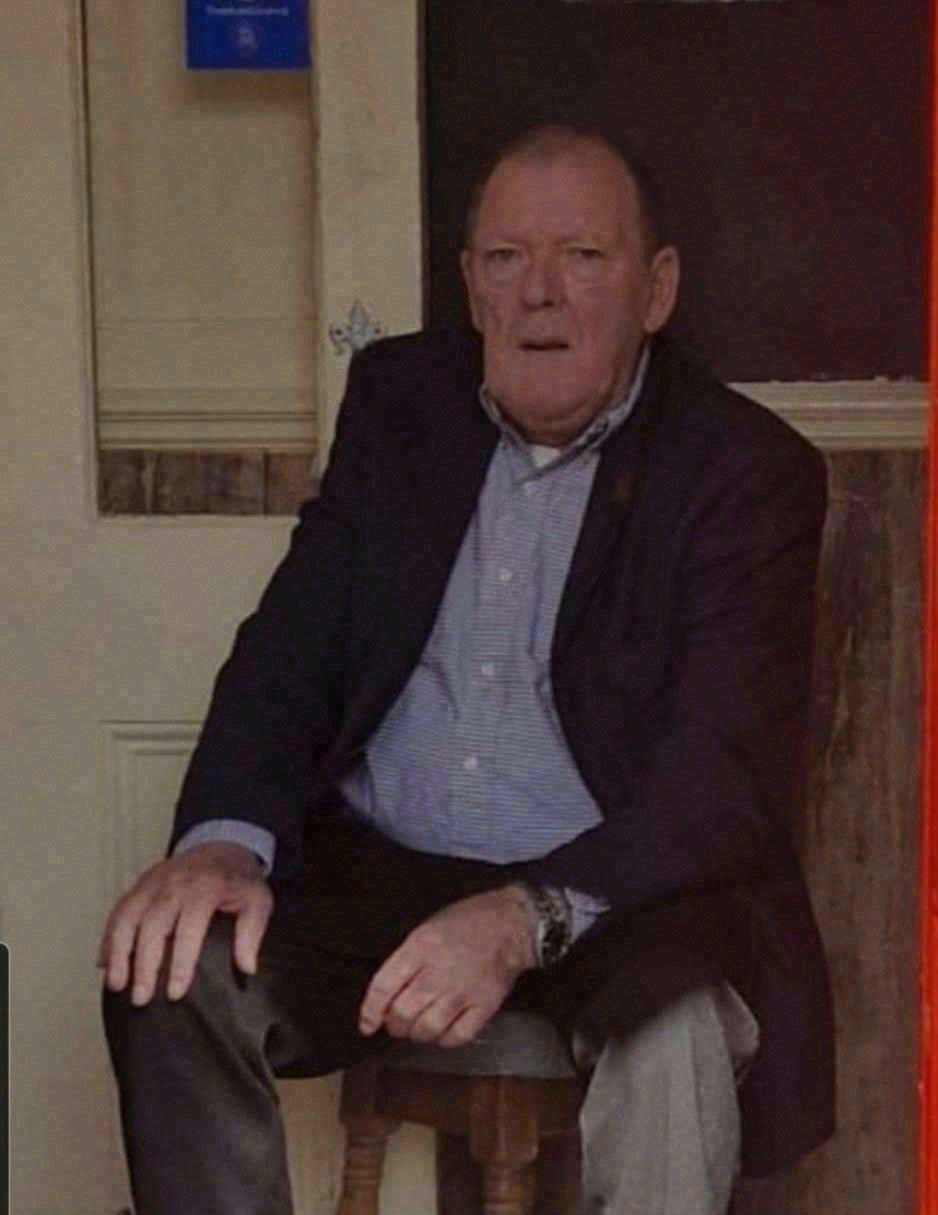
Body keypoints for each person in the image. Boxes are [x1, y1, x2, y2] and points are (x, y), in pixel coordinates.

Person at [99, 123, 835, 1215]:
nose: (539, 292)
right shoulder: (402, 404)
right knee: (171, 968)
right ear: (472, 285)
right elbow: (288, 652)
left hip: (608, 891)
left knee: (676, 1033)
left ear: (655, 289)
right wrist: (222, 842)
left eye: (582, 256)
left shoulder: (740, 470)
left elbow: (718, 781)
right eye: (505, 257)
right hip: (379, 872)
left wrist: (520, 916)